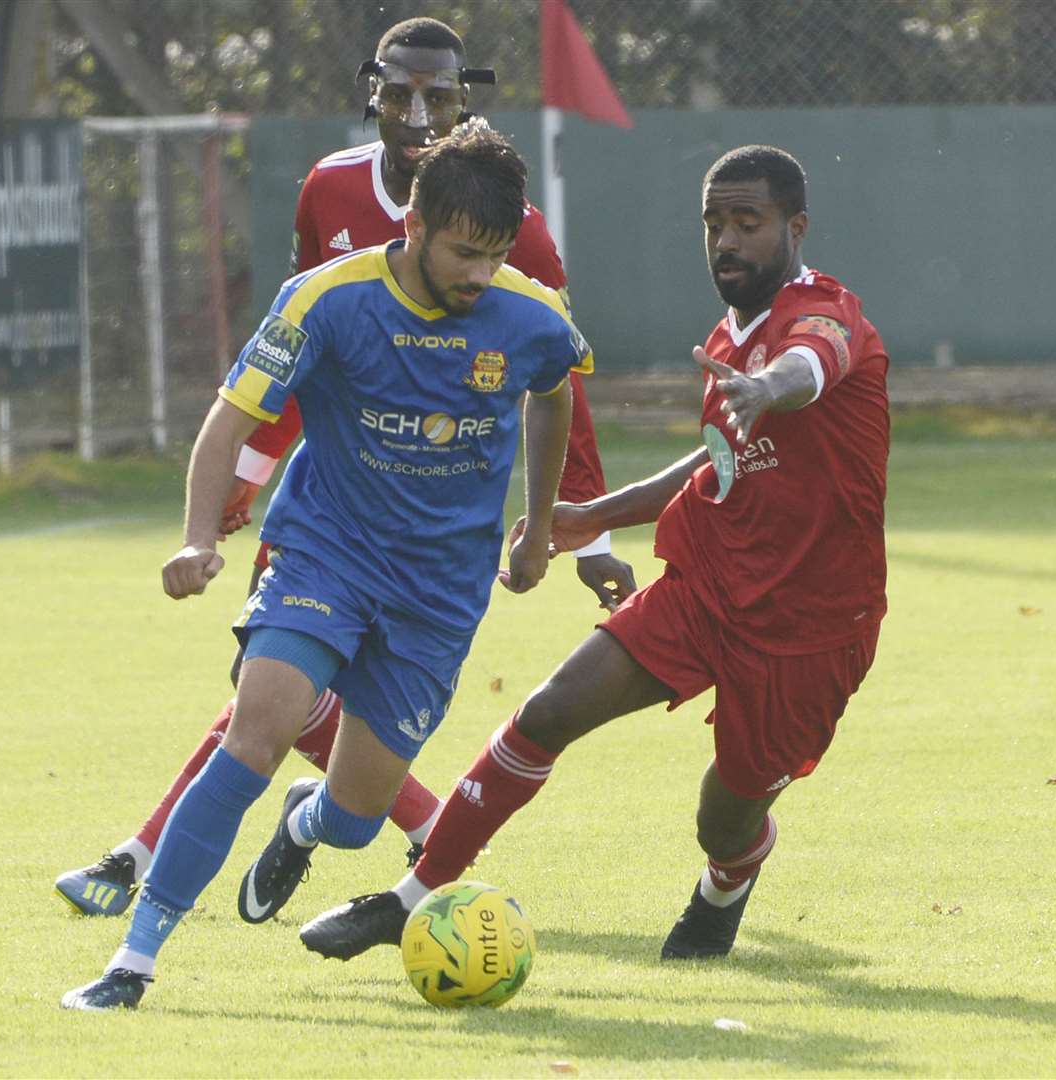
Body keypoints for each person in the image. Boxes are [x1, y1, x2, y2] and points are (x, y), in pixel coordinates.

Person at [54, 16, 634, 920]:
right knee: (274, 682)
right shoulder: (327, 188)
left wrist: (578, 530)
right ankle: (146, 880)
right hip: (327, 506)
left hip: (439, 543)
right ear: (372, 92)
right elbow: (290, 363)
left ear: (463, 103)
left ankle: (329, 820)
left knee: (297, 697)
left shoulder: (515, 238)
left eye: (437, 97)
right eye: (398, 91)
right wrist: (243, 473)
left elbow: (555, 384)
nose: (415, 112)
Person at [290, 144, 890, 964]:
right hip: (708, 586)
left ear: (797, 227)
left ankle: (729, 877)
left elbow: (810, 365)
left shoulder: (825, 314)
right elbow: (718, 459)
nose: (726, 241)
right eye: (713, 222)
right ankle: (414, 896)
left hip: (812, 624)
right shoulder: (727, 336)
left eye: (748, 224)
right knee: (548, 711)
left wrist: (769, 386)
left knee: (727, 816)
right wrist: (591, 516)